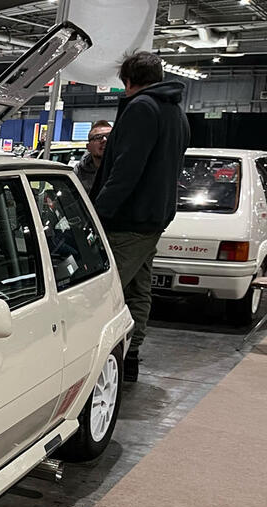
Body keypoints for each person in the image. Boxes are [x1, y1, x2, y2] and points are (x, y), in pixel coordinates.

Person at [91, 51, 190, 382]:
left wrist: (97, 214)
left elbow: (125, 171)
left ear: (128, 81)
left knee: (103, 291)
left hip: (128, 219)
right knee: (138, 288)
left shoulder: (142, 108)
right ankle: (130, 356)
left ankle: (100, 365)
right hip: (152, 217)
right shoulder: (176, 112)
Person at [74, 120, 111, 193]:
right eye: (98, 137)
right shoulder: (78, 172)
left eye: (109, 136)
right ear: (88, 147)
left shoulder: (125, 169)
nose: (104, 140)